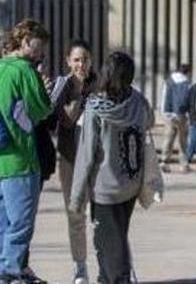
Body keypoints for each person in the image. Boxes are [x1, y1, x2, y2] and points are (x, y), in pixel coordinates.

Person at [70, 52, 154, 284]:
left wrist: (76, 197)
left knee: (110, 250)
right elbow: (150, 121)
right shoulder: (138, 101)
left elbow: (86, 154)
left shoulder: (96, 107)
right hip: (130, 183)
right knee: (113, 243)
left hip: (105, 189)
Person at [0, 19, 53, 283]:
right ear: (25, 42)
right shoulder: (24, 70)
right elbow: (42, 108)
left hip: (1, 160)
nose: (41, 52)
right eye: (39, 45)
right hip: (21, 158)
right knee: (21, 223)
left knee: (3, 223)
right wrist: (46, 88)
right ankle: (10, 271)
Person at [41, 40, 96, 284]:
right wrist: (75, 103)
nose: (80, 64)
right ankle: (80, 267)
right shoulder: (62, 84)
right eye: (76, 59)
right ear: (68, 61)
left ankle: (110, 263)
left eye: (84, 59)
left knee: (102, 214)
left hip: (98, 160)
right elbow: (57, 118)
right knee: (75, 214)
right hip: (71, 159)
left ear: (91, 60)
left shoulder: (101, 84)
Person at [160, 64, 192, 173]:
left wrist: (164, 112)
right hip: (182, 115)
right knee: (182, 140)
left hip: (169, 114)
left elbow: (164, 97)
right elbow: (189, 100)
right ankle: (183, 164)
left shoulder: (168, 81)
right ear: (187, 72)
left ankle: (164, 161)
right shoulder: (187, 83)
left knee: (168, 138)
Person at [184, 81, 196, 166]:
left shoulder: (193, 87)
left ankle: (187, 158)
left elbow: (187, 101)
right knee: (195, 138)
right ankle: (187, 158)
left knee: (194, 139)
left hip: (194, 116)